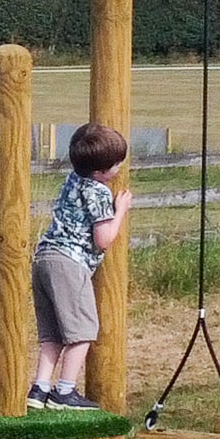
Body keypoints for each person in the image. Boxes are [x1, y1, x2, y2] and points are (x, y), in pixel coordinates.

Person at [29, 122, 129, 408]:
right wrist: (119, 210)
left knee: (53, 333)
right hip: (70, 263)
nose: (119, 169)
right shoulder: (98, 192)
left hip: (45, 257)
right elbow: (104, 239)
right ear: (101, 172)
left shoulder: (72, 179)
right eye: (116, 165)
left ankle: (39, 388)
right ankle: (65, 391)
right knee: (83, 330)